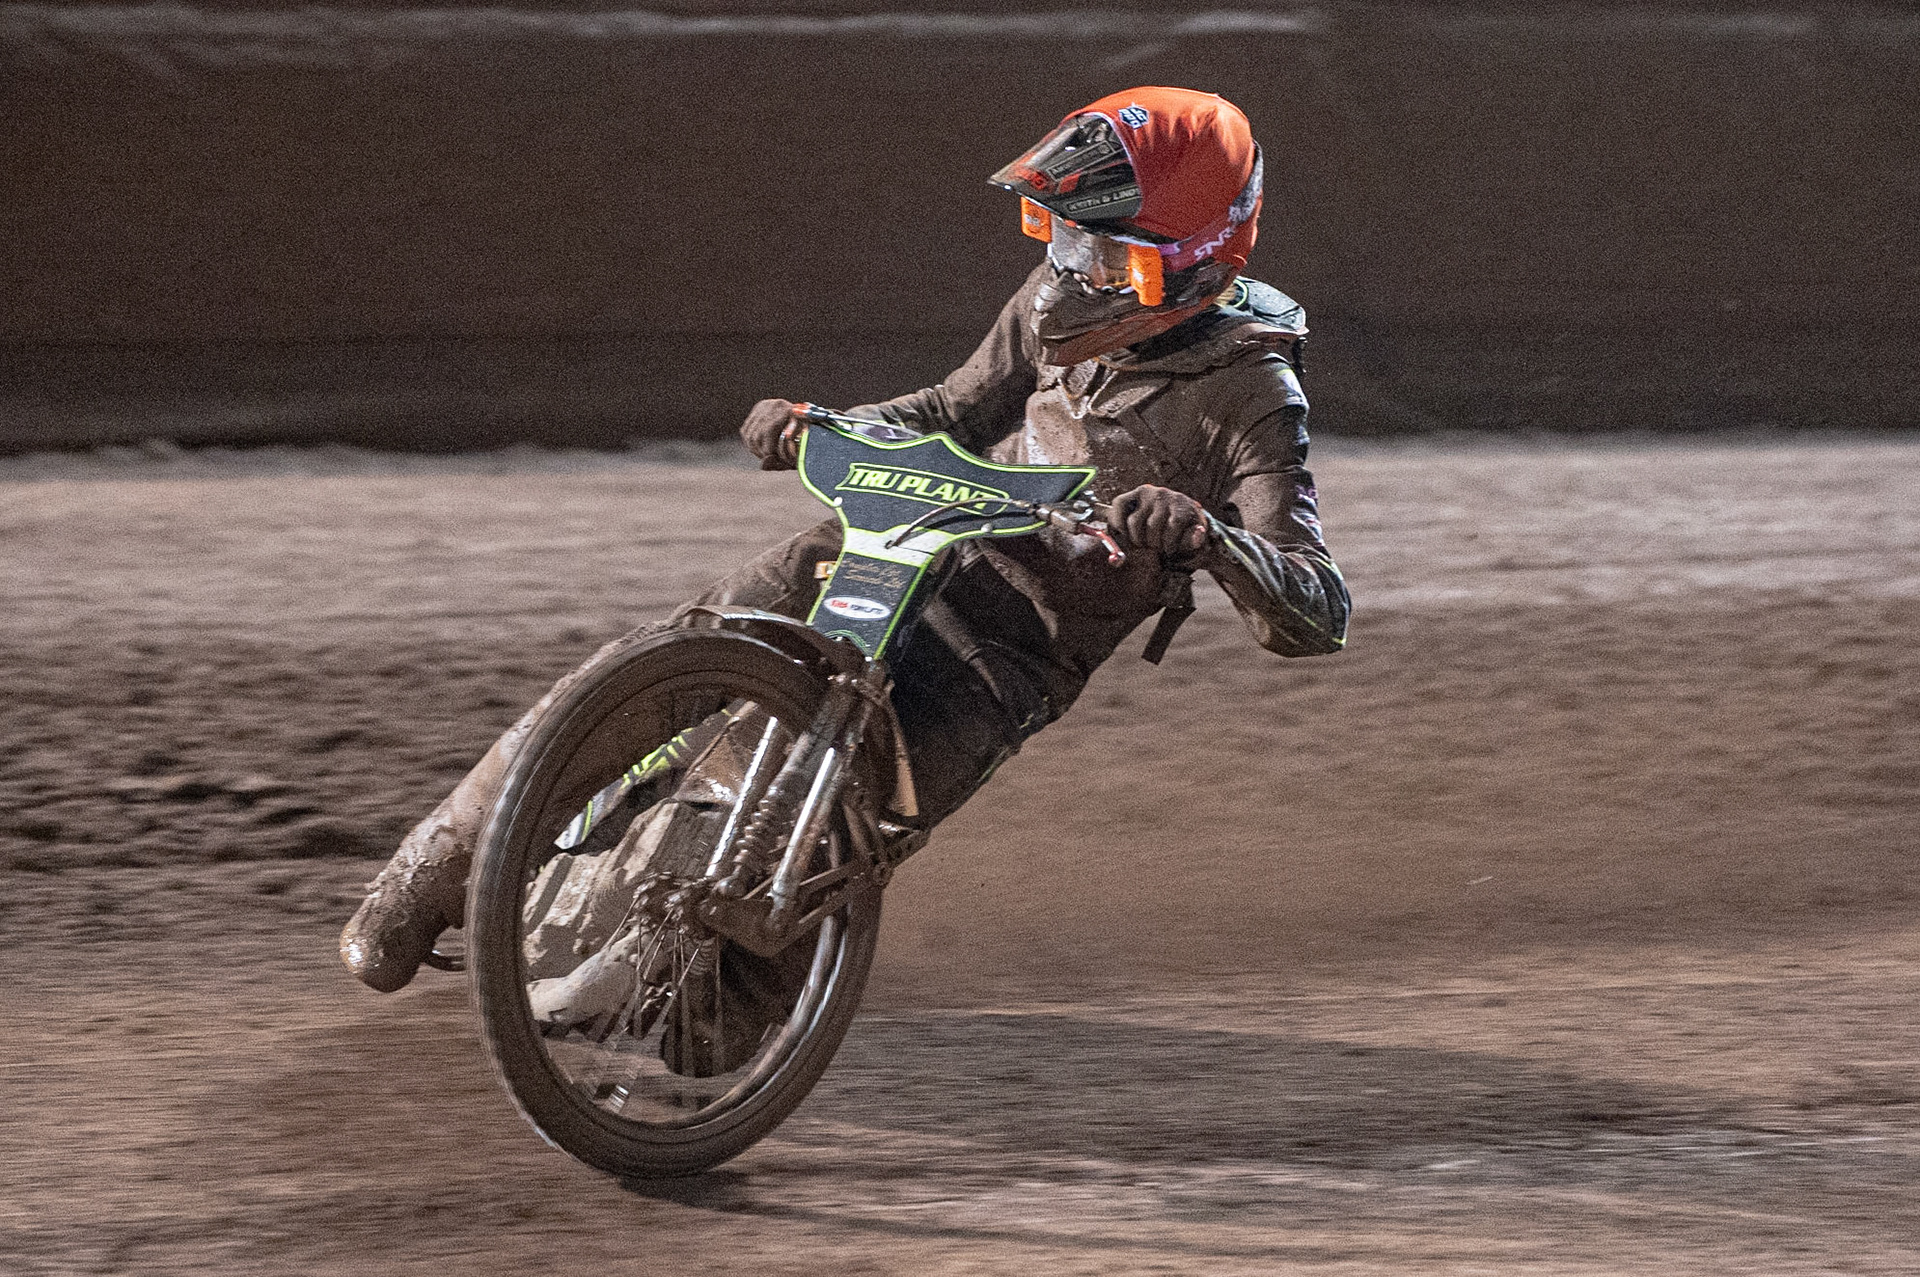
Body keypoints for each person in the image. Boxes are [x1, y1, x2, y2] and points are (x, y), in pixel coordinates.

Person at [341, 85, 1350, 994]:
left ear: (1196, 264)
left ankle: (709, 1043)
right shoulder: (1052, 305)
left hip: (1004, 654)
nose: (1070, 271)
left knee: (808, 878)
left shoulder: (1254, 396)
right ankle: (431, 869)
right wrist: (818, 423)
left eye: (1104, 254)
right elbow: (947, 411)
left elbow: (1315, 609)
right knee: (665, 659)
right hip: (895, 540)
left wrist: (1211, 537)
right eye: (1060, 235)